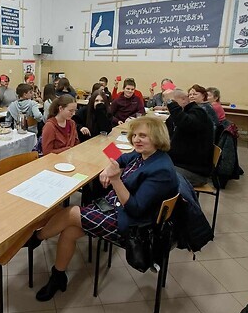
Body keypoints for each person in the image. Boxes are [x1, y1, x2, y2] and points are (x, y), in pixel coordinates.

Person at [30, 117, 178, 301]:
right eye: (135, 135)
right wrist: (108, 169)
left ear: (157, 137)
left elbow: (136, 209)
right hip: (117, 208)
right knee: (69, 230)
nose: (136, 139)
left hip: (133, 226)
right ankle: (58, 276)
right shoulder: (145, 155)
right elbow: (121, 158)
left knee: (71, 213)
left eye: (143, 136)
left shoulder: (161, 170)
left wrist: (115, 179)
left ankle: (37, 237)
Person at [163, 87, 214, 186]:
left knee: (154, 173)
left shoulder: (198, 113)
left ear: (183, 100)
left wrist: (171, 103)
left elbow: (185, 123)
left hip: (194, 171)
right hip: (178, 163)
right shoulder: (180, 113)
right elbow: (166, 133)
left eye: (172, 102)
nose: (168, 106)